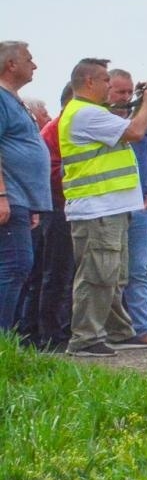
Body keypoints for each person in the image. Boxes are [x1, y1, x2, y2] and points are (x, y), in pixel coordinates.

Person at [59, 59, 147, 357]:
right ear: (89, 82)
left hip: (109, 207)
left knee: (114, 275)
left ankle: (118, 331)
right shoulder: (85, 114)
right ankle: (85, 338)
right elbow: (135, 132)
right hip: (97, 208)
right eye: (106, 80)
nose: (110, 85)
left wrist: (138, 102)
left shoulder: (90, 113)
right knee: (97, 274)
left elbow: (125, 124)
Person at [106, 69, 147, 348]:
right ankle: (113, 330)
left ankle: (142, 329)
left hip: (141, 204)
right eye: (120, 92)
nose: (126, 97)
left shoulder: (145, 123)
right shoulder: (102, 121)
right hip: (112, 204)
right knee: (112, 271)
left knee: (139, 269)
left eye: (130, 92)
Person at [20, 83, 74, 350]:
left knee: (56, 272)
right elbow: (50, 171)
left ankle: (42, 332)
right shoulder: (56, 130)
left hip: (63, 206)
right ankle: (50, 336)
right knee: (54, 273)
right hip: (57, 207)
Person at [0, 41, 48, 332]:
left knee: (18, 267)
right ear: (11, 65)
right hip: (10, 197)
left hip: (21, 199)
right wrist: (2, 194)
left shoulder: (14, 100)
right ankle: (4, 341)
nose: (35, 65)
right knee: (16, 266)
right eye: (29, 59)